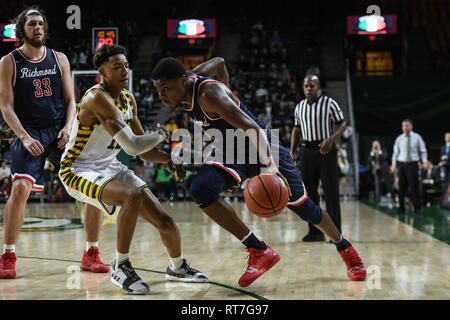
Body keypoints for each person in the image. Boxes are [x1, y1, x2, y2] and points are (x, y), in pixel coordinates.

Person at [152, 56, 366, 287]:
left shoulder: (208, 95)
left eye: (166, 89)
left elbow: (253, 128)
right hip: (232, 150)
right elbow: (220, 62)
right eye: (159, 90)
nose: (161, 95)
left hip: (262, 146)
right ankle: (258, 250)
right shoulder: (187, 85)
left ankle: (346, 250)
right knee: (200, 188)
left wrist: (271, 168)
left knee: (307, 210)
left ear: (182, 82)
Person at [59, 44, 208, 294]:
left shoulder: (127, 99)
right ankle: (121, 265)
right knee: (132, 195)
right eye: (117, 66)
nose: (124, 70)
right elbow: (131, 146)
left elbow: (144, 150)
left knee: (166, 221)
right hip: (77, 169)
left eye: (126, 65)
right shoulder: (97, 98)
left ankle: (177, 267)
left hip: (110, 166)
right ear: (102, 72)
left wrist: (169, 159)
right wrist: (161, 134)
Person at [0, 7, 77, 279]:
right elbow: (6, 106)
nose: (38, 28)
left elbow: (71, 101)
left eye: (41, 24)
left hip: (58, 130)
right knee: (20, 187)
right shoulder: (9, 62)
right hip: (29, 130)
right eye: (32, 24)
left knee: (89, 181)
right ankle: (8, 255)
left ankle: (92, 252)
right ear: (22, 30)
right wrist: (23, 136)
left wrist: (68, 127)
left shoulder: (60, 59)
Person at [290, 74, 346, 242]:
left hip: (325, 149)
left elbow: (342, 124)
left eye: (312, 85)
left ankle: (336, 234)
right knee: (309, 193)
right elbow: (297, 130)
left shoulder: (330, 103)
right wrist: (292, 151)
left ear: (319, 87)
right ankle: (315, 232)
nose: (308, 88)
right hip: (307, 151)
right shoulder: (299, 107)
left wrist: (330, 140)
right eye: (306, 86)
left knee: (331, 192)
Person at [391, 119, 428, 214]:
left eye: (407, 126)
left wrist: (424, 162)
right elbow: (395, 153)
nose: (405, 128)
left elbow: (423, 150)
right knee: (401, 188)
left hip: (413, 164)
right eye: (403, 126)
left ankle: (417, 208)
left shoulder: (417, 137)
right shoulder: (399, 138)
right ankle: (401, 208)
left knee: (414, 187)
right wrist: (394, 165)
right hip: (402, 165)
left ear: (411, 126)